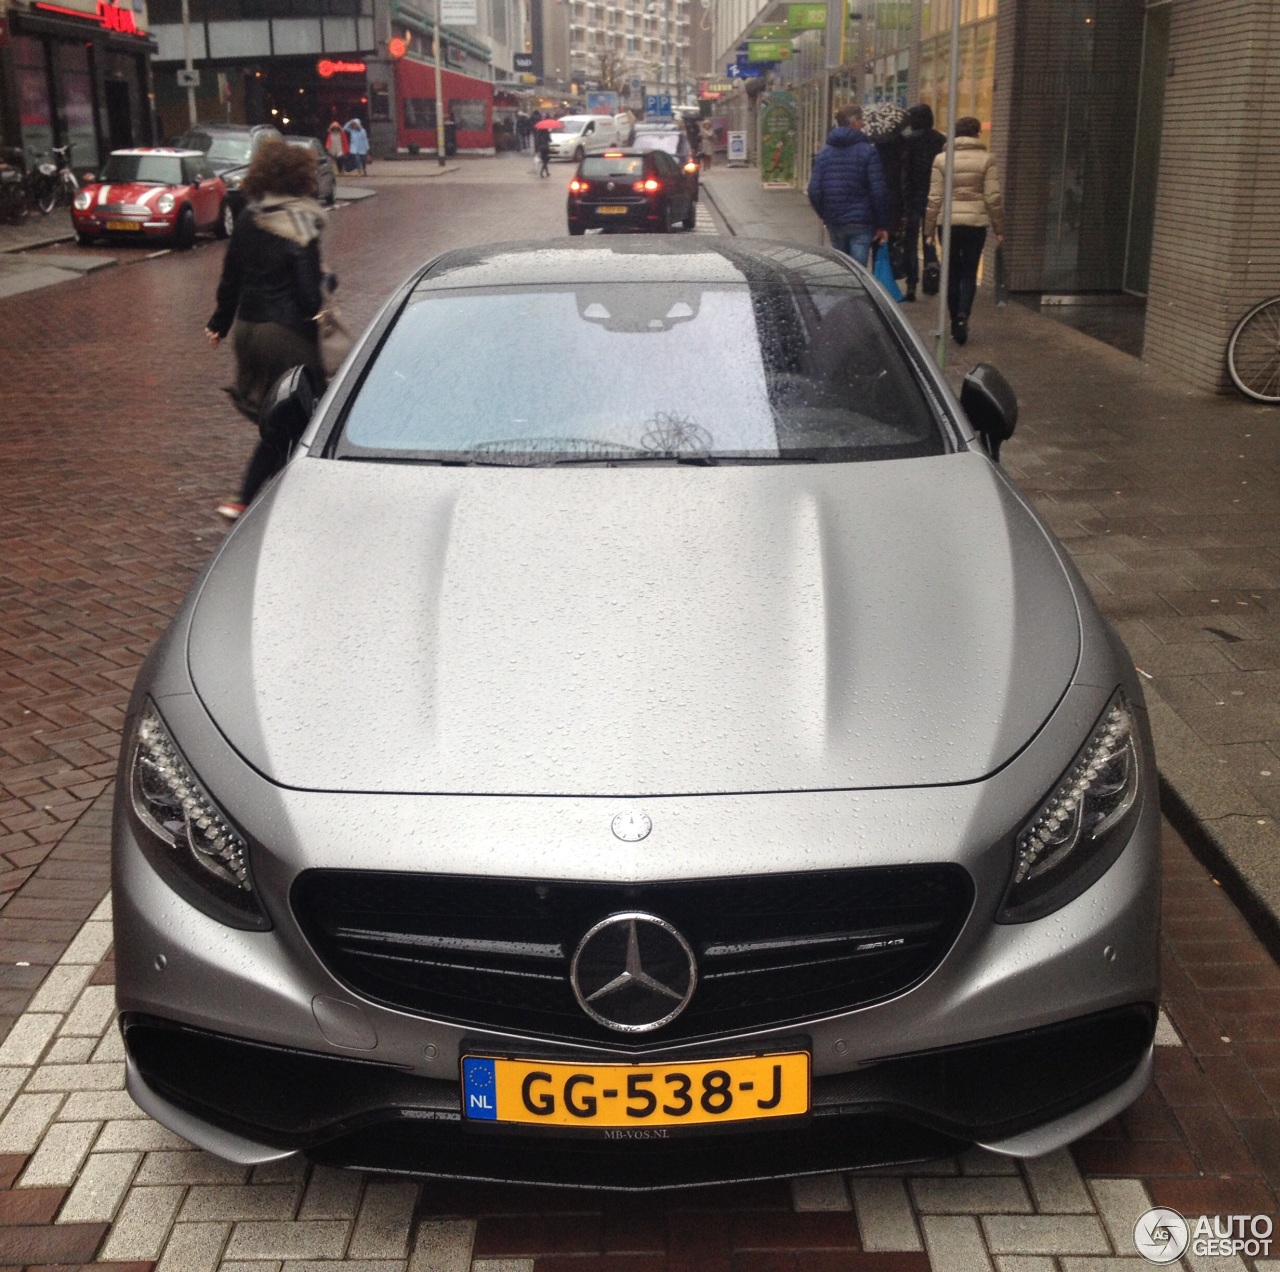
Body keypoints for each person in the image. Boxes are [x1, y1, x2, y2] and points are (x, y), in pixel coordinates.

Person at [205, 139, 329, 520]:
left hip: (248, 330)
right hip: (286, 334)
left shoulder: (247, 218)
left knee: (279, 414)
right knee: (312, 413)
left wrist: (219, 324)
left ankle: (269, 494)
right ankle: (250, 498)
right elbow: (309, 298)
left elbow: (231, 279)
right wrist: (327, 293)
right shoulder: (300, 222)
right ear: (301, 178)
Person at [924, 115, 1005, 346]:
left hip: (947, 223)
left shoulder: (941, 159)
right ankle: (963, 316)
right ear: (978, 134)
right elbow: (992, 197)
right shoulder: (987, 159)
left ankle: (953, 322)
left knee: (951, 272)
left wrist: (928, 229)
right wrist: (999, 228)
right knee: (969, 272)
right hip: (975, 224)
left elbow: (935, 197)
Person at [806, 105, 889, 266]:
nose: (863, 124)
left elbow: (814, 190)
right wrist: (882, 223)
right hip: (861, 222)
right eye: (861, 120)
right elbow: (878, 192)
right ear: (855, 123)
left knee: (842, 270)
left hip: (835, 220)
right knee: (859, 272)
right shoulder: (868, 152)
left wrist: (824, 214)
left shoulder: (824, 153)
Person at [901, 104, 945, 301]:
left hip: (913, 196)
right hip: (935, 196)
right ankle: (931, 277)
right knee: (930, 237)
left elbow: (905, 173)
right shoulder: (941, 141)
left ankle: (912, 283)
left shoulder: (908, 142)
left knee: (911, 240)